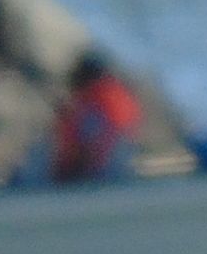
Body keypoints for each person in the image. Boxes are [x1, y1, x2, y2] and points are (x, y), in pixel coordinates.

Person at [48, 48, 142, 184]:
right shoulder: (120, 96)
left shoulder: (93, 101)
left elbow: (89, 141)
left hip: (91, 174)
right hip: (119, 169)